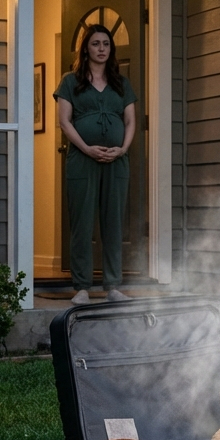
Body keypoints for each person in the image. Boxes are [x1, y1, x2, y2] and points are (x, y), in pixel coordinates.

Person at [55, 24, 137, 305]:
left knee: (113, 223)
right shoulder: (70, 81)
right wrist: (88, 148)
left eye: (106, 44)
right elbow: (64, 121)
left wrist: (123, 149)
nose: (102, 49)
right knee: (82, 223)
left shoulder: (121, 83)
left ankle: (113, 285)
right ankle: (82, 287)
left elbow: (130, 121)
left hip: (117, 161)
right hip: (82, 160)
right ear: (86, 49)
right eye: (95, 44)